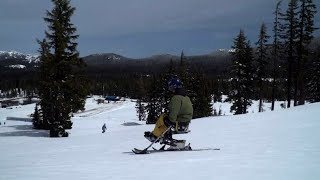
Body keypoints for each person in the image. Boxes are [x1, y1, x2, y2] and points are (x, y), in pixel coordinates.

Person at [144, 76, 193, 149]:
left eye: (171, 88)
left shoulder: (176, 98)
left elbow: (174, 111)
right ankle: (161, 136)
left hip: (179, 122)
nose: (171, 90)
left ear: (174, 87)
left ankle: (155, 135)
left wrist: (170, 120)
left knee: (163, 118)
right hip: (185, 121)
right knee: (165, 121)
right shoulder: (185, 97)